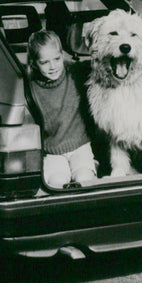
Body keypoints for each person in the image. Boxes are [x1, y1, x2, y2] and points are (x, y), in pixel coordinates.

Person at [27, 29, 97, 188]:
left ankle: (91, 168)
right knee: (57, 183)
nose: (53, 67)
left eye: (57, 59)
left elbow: (98, 62)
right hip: (51, 151)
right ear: (33, 63)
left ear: (62, 55)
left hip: (80, 145)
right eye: (44, 62)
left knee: (85, 179)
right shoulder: (31, 88)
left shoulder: (74, 73)